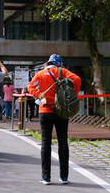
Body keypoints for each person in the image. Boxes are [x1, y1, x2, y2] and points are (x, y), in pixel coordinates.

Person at [27, 54, 81, 185]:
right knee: (63, 142)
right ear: (59, 63)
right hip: (61, 110)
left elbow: (30, 87)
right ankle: (64, 177)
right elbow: (77, 79)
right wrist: (73, 94)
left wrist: (39, 95)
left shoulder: (40, 74)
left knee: (46, 143)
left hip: (45, 110)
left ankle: (46, 177)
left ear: (49, 62)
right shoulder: (63, 71)